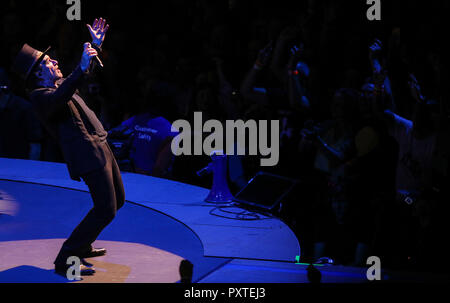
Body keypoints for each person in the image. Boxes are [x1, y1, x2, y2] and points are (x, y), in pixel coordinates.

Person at [12, 18, 124, 277]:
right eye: (49, 62)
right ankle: (66, 258)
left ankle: (82, 245)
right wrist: (80, 67)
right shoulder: (41, 97)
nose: (55, 62)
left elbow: (80, 76)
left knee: (117, 201)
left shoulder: (58, 84)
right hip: (88, 156)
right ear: (38, 73)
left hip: (101, 146)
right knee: (105, 209)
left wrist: (95, 46)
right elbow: (66, 90)